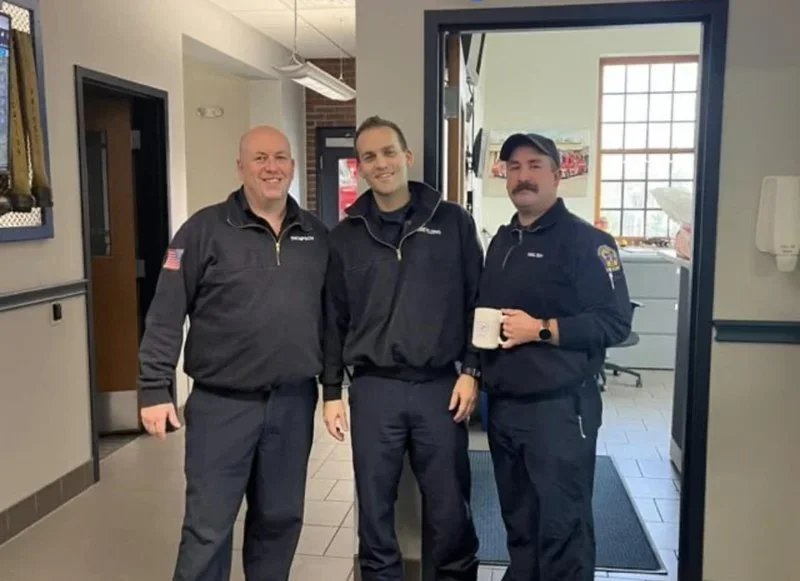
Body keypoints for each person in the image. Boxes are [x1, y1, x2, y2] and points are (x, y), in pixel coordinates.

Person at [137, 125, 329, 581]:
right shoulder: (202, 230)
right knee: (208, 528)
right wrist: (152, 388)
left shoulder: (317, 235)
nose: (271, 167)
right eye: (259, 158)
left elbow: (333, 319)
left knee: (280, 521)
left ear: (293, 166)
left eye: (280, 157)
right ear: (240, 167)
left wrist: (334, 389)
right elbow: (166, 313)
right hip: (221, 407)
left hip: (292, 403)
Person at [321, 115, 482, 581]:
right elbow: (333, 319)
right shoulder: (345, 236)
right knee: (374, 509)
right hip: (374, 391)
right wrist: (331, 392)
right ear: (360, 167)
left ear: (407, 156)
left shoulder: (451, 222)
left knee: (450, 508)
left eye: (389, 152)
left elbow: (478, 300)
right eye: (369, 156)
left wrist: (472, 370)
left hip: (441, 388)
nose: (381, 163)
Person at [477, 133, 632, 581]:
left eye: (534, 165)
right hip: (504, 409)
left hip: (561, 411)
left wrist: (543, 329)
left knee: (564, 528)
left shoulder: (589, 243)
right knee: (519, 524)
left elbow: (615, 323)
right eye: (513, 168)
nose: (523, 176)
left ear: (558, 174)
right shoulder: (502, 242)